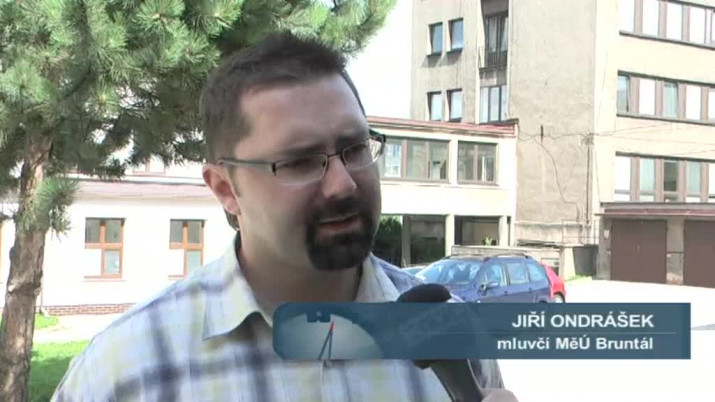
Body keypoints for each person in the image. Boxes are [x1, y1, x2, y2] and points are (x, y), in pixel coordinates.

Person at [52, 32, 518, 401]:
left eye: (355, 148)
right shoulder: (126, 370)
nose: (344, 183)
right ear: (225, 189)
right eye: (299, 161)